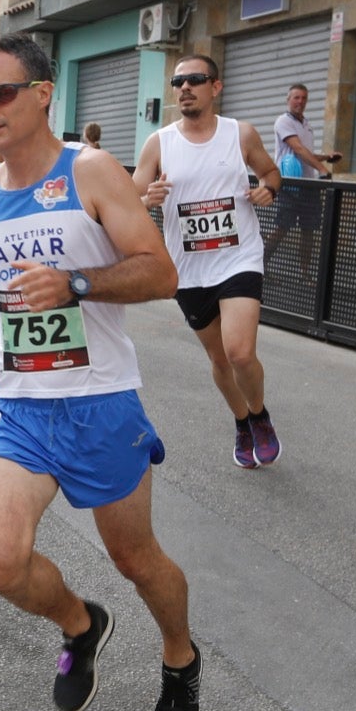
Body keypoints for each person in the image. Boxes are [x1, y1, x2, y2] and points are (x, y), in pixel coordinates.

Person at [0, 33, 200, 711]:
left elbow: (160, 272)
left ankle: (180, 657)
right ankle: (80, 622)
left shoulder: (91, 171)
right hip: (21, 404)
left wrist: (77, 284)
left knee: (135, 558)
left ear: (41, 93)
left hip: (99, 401)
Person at [134, 54, 284, 469]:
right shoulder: (159, 143)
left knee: (239, 352)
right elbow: (130, 199)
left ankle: (260, 415)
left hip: (239, 258)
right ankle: (242, 423)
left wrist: (268, 190)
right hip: (189, 268)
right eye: (178, 82)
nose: (184, 88)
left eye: (195, 80)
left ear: (215, 87)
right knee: (218, 359)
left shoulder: (241, 134)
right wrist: (149, 199)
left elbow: (271, 174)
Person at [263, 83, 341, 280]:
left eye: (304, 98)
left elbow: (306, 153)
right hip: (290, 185)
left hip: (309, 186)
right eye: (296, 97)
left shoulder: (306, 124)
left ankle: (304, 274)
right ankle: (259, 268)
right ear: (288, 100)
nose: (300, 102)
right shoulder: (283, 121)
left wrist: (325, 158)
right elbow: (297, 149)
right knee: (282, 227)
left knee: (309, 230)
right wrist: (322, 169)